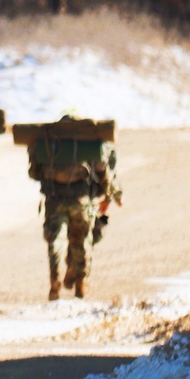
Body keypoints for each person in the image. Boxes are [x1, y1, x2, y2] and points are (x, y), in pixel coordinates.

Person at [28, 117, 123, 300]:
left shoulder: (49, 142)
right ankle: (81, 284)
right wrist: (108, 194)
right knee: (82, 242)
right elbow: (102, 172)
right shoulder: (88, 142)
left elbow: (34, 173)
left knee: (55, 240)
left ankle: (54, 282)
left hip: (54, 200)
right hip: (81, 200)